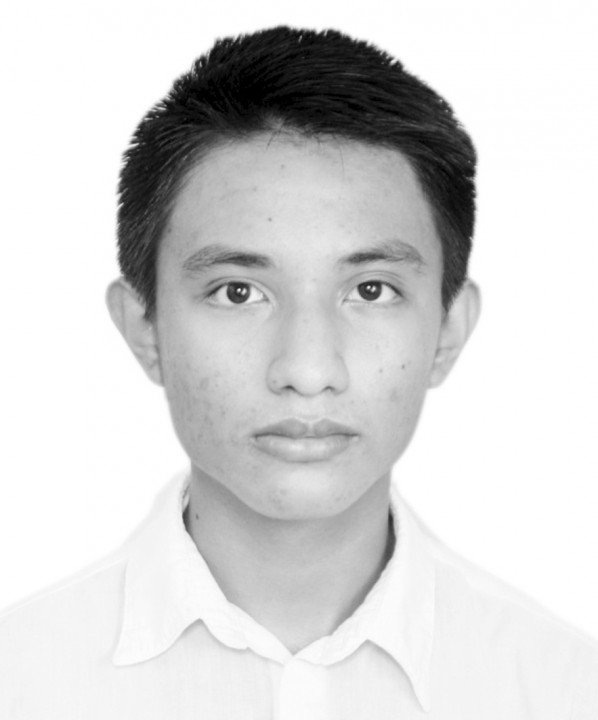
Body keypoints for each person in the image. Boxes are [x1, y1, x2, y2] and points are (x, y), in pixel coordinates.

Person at [1, 25, 596, 719]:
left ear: (448, 330)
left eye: (370, 290)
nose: (308, 371)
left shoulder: (564, 691)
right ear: (144, 328)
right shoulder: (21, 681)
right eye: (238, 292)